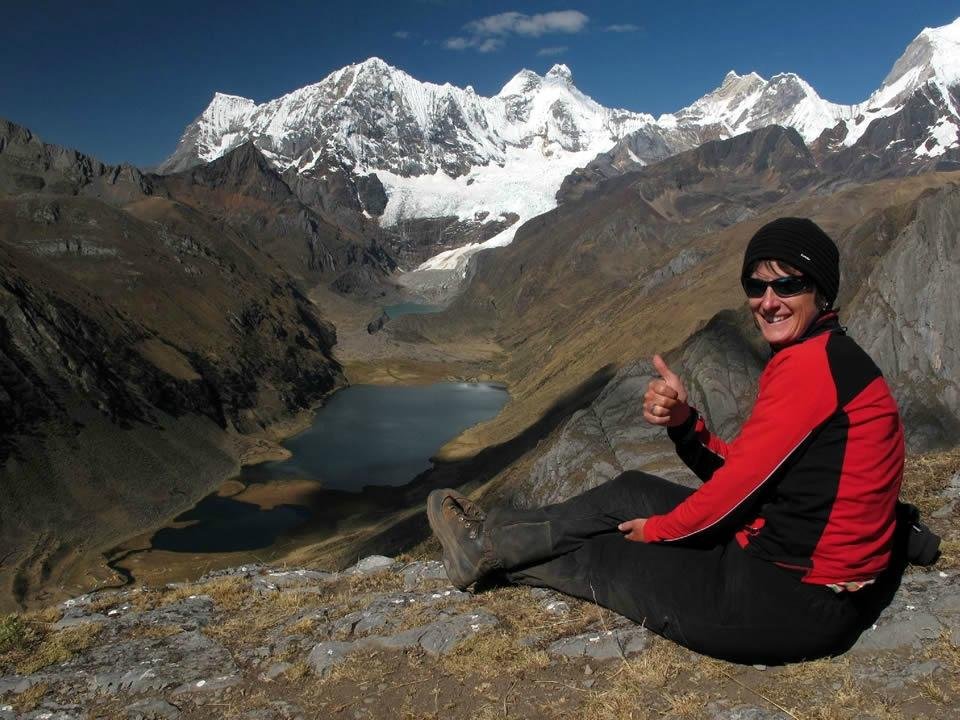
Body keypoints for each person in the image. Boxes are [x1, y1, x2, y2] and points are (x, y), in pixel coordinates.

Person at [427, 217, 906, 664]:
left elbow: (730, 495)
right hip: (786, 577)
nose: (769, 300)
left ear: (821, 291)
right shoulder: (828, 356)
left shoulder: (810, 370)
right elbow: (754, 474)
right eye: (756, 285)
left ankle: (485, 552)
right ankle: (487, 539)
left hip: (785, 604)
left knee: (601, 552)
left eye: (788, 284)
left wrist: (657, 532)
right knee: (631, 488)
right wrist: (684, 422)